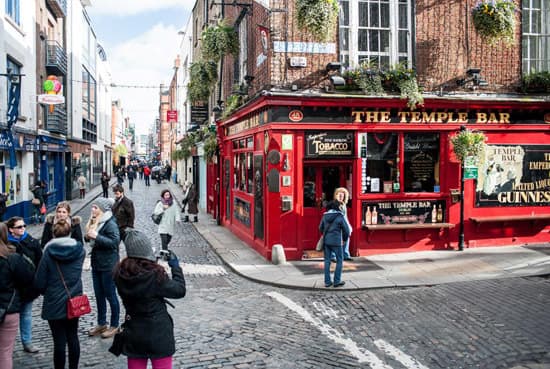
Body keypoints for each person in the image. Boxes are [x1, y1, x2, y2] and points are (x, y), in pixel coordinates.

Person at [111, 229, 186, 369]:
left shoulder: (119, 274)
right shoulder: (155, 276)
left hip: (134, 332)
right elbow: (179, 290)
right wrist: (175, 267)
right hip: (158, 333)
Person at [34, 219, 85, 369]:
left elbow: (39, 282)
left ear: (53, 234)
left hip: (54, 301)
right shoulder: (80, 251)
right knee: (73, 336)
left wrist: (47, 291)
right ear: (70, 232)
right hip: (74, 298)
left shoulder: (48, 253)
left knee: (59, 341)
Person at [84, 197, 121, 339]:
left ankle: (114, 325)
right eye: (92, 207)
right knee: (99, 295)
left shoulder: (110, 223)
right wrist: (88, 237)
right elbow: (90, 238)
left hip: (108, 265)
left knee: (110, 295)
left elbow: (114, 242)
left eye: (95, 207)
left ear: (102, 210)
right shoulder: (95, 221)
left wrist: (97, 236)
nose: (92, 209)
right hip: (97, 264)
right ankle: (101, 323)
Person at [0, 222, 34, 369]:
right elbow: (27, 279)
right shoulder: (12, 257)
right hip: (8, 308)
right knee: (5, 353)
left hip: (7, 308)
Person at [6, 216, 43, 353]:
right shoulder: (6, 245)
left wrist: (38, 283)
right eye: (19, 227)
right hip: (12, 288)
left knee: (26, 314)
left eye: (24, 226)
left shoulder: (32, 242)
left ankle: (27, 342)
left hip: (28, 287)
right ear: (11, 230)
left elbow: (40, 262)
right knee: (8, 317)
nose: (22, 229)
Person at [319, 200, 350, 288]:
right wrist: (344, 239)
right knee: (340, 260)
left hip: (327, 241)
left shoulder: (325, 216)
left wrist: (326, 234)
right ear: (337, 207)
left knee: (327, 261)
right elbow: (346, 230)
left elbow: (320, 228)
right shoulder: (340, 216)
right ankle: (337, 281)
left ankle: (327, 282)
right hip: (337, 242)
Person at [332, 187, 353, 261]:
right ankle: (333, 256)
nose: (341, 197)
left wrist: (349, 226)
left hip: (343, 224)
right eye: (339, 195)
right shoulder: (334, 204)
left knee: (346, 238)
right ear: (336, 195)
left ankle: (345, 254)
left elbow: (345, 217)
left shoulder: (343, 205)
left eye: (343, 195)